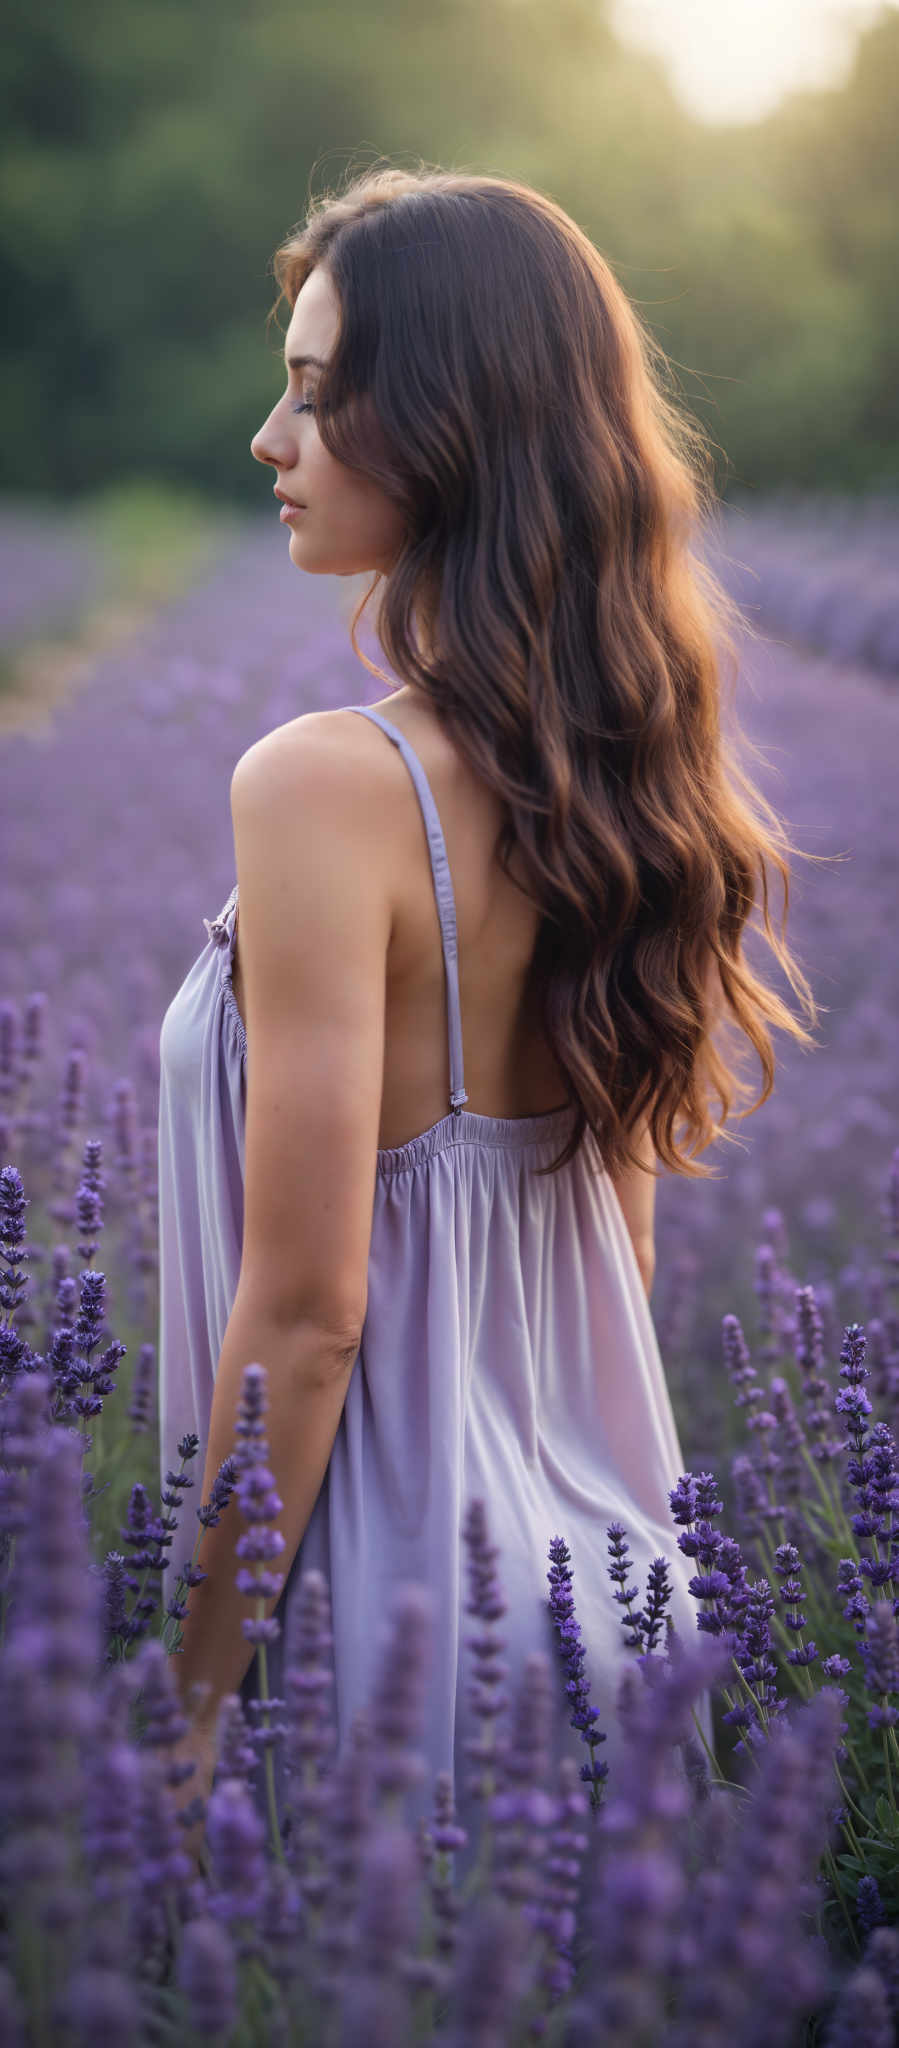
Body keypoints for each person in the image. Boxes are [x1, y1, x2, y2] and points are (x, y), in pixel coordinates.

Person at [157, 165, 821, 1867]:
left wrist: (189, 1707)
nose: (267, 440)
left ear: (444, 422)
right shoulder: (623, 798)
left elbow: (305, 1317)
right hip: (618, 1624)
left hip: (385, 1643)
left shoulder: (324, 788)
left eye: (314, 394)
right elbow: (624, 1269)